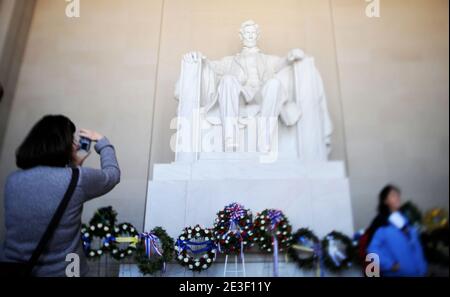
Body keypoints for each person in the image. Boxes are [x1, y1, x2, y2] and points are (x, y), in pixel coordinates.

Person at [1, 115, 120, 276]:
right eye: (72, 141)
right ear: (63, 145)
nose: (75, 144)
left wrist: (72, 167)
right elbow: (112, 175)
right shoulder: (77, 178)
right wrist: (102, 141)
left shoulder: (13, 180)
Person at [365, 185, 428, 277]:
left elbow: (415, 246)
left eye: (398, 195)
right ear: (385, 201)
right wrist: (389, 265)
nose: (398, 198)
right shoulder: (381, 223)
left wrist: (423, 268)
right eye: (393, 196)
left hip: (417, 272)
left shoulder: (406, 219)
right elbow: (372, 250)